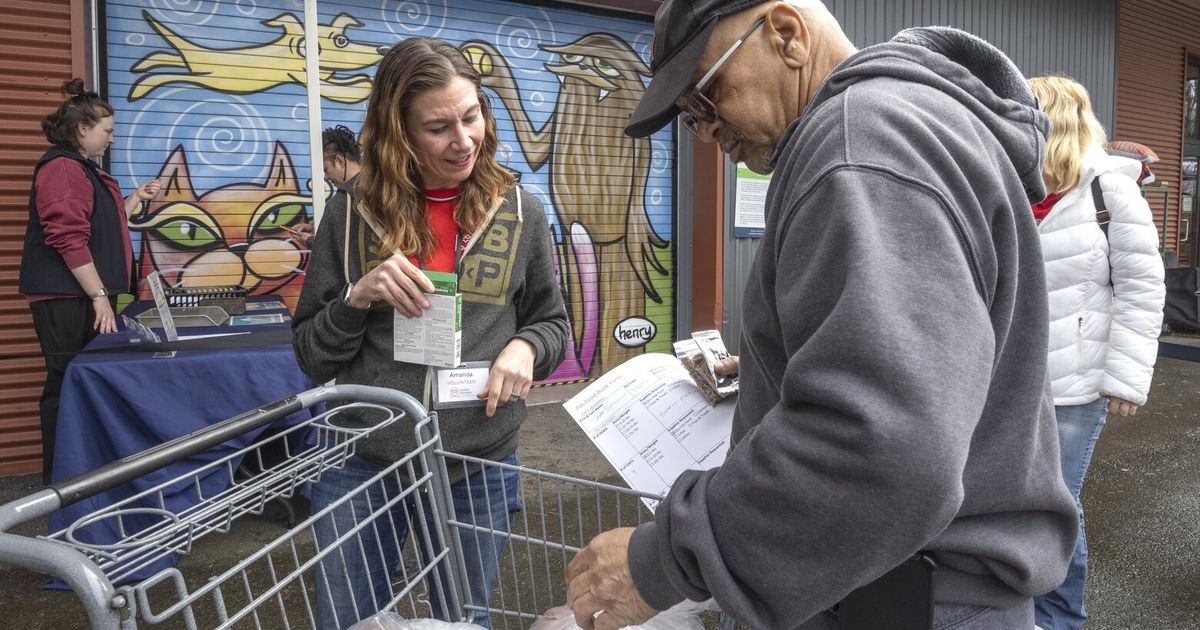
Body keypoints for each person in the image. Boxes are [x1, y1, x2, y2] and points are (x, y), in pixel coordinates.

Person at [565, 1, 1078, 629]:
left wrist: (664, 558)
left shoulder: (856, 142)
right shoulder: (901, 126)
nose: (703, 129)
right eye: (688, 115)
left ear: (786, 34)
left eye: (707, 95)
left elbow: (884, 440)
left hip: (898, 602)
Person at [291, 37, 568, 629]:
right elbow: (311, 355)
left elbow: (552, 323)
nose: (464, 140)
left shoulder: (522, 211)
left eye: (472, 117)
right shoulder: (350, 213)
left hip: (478, 463)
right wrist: (356, 298)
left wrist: (526, 346)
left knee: (462, 622)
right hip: (364, 462)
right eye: (439, 127)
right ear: (400, 133)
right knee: (347, 621)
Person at [1027, 75, 1165, 630]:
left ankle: (1059, 618)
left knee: (1056, 502)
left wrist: (1125, 379)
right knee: (1020, 498)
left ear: (1054, 121)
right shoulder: (1019, 186)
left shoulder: (1111, 192)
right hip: (1013, 380)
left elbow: (1141, 288)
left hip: (1076, 382)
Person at [19, 78, 160, 484]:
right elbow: (67, 235)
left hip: (80, 296)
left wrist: (134, 198)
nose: (112, 140)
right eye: (108, 131)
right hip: (68, 299)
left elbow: (101, 223)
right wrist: (99, 296)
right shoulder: (62, 167)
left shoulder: (81, 169)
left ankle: (82, 472)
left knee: (81, 382)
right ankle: (61, 480)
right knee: (66, 384)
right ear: (83, 128)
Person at [284, 124, 362, 249]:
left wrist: (311, 241)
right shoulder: (381, 188)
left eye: (326, 169)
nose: (326, 177)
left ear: (340, 161)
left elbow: (339, 251)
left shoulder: (342, 202)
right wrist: (318, 228)